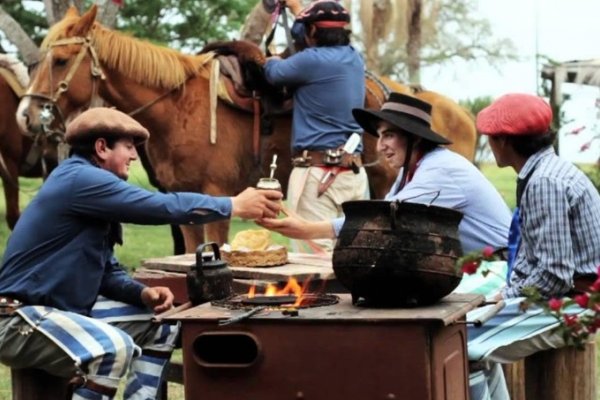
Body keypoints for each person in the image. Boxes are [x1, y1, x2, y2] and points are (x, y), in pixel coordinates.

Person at [0, 107, 282, 400]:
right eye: (129, 146)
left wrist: (141, 294)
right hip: (18, 318)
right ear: (101, 147)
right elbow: (160, 206)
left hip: (56, 312)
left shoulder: (90, 188)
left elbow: (105, 271)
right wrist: (232, 205)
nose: (135, 156)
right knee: (114, 347)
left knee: (163, 325)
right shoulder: (80, 180)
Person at [465, 93, 600, 400]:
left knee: (459, 341)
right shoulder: (546, 171)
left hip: (575, 306)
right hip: (570, 298)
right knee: (470, 337)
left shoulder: (545, 182)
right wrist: (501, 296)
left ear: (505, 141)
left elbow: (554, 275)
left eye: (491, 137)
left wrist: (506, 295)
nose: (489, 144)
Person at [259, 92, 512, 254]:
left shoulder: (439, 170)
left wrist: (305, 229)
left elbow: (381, 221)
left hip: (497, 272)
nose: (380, 146)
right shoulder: (410, 172)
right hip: (474, 266)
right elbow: (383, 212)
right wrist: (303, 226)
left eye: (388, 135)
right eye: (379, 136)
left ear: (413, 137)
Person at [263, 0, 369, 252]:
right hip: (353, 174)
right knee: (353, 255)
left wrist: (270, 60)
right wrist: (295, 7)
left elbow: (273, 74)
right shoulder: (355, 57)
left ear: (312, 31)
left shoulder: (310, 60)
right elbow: (305, 31)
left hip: (317, 176)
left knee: (314, 261)